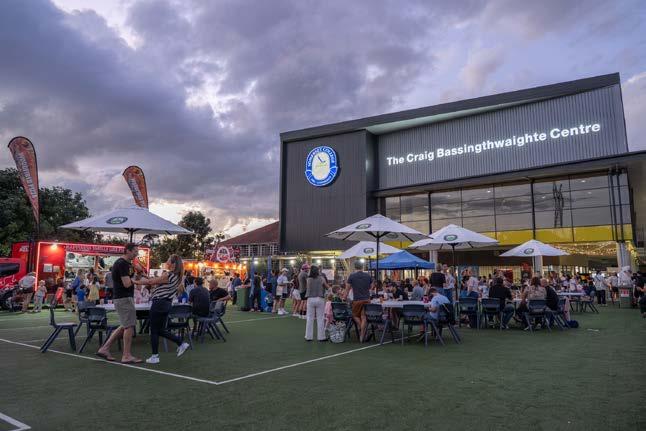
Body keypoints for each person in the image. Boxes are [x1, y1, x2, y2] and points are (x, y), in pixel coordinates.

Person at [134, 254, 190, 364]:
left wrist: (134, 282)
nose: (166, 261)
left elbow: (151, 282)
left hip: (159, 303)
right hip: (165, 304)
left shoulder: (169, 275)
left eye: (168, 260)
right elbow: (155, 281)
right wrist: (145, 276)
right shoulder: (176, 276)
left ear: (173, 264)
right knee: (159, 330)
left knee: (154, 330)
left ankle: (155, 356)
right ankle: (180, 343)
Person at [96, 243, 143, 364]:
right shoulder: (122, 264)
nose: (137, 254)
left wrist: (139, 272)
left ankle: (105, 348)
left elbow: (133, 281)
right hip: (123, 298)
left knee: (125, 325)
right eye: (135, 251)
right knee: (129, 326)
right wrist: (140, 281)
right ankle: (126, 355)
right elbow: (127, 284)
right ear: (128, 251)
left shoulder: (128, 264)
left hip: (124, 297)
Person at [344, 260, 372, 342]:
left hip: (357, 300)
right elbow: (371, 287)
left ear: (355, 267)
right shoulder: (368, 276)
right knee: (364, 317)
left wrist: (344, 297)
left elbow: (347, 289)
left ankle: (361, 330)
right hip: (367, 299)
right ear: (362, 267)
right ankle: (362, 335)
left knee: (354, 315)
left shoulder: (352, 276)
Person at [305, 265, 330, 342]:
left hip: (310, 299)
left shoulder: (308, 279)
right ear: (317, 271)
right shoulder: (321, 278)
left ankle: (308, 337)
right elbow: (327, 287)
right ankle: (321, 337)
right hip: (320, 298)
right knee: (320, 318)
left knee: (310, 318)